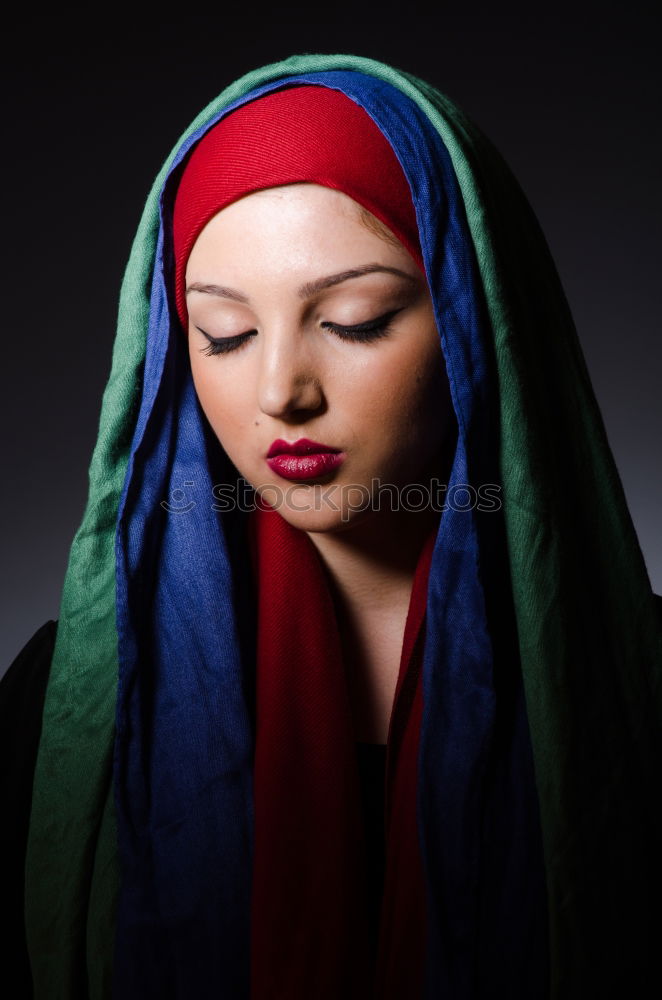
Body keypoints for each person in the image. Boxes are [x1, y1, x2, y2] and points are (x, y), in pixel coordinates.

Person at [1, 52, 661, 1000]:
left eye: (355, 320)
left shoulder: (641, 697)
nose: (280, 392)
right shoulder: (61, 709)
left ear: (476, 323)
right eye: (223, 334)